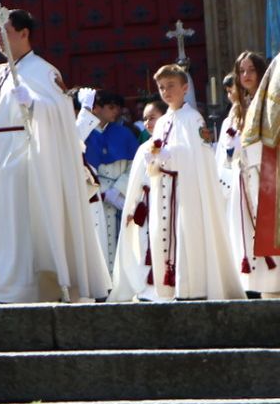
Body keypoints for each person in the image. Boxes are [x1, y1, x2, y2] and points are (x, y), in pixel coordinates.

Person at [0, 9, 109, 304]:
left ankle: (26, 285)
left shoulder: (44, 71)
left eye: (5, 32)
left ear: (24, 34)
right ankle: (2, 282)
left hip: (24, 157)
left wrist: (34, 104)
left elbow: (60, 112)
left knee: (21, 224)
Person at [112, 65, 242, 301]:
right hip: (164, 190)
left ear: (185, 88)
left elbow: (200, 157)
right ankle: (168, 288)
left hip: (187, 192)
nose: (166, 91)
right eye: (161, 87)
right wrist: (155, 156)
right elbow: (160, 151)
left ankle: (192, 288)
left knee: (186, 239)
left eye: (171, 85)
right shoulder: (162, 122)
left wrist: (170, 155)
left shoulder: (194, 119)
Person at [221, 52, 280, 296]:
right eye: (241, 71)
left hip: (267, 176)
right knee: (244, 229)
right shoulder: (236, 110)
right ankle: (255, 284)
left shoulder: (271, 104)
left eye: (251, 70)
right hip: (242, 176)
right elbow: (225, 153)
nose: (246, 76)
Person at [77, 90, 141, 266]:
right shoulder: (83, 133)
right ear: (96, 108)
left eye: (118, 108)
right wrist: (102, 191)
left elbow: (134, 165)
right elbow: (78, 165)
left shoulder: (124, 133)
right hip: (93, 194)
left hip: (119, 196)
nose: (116, 112)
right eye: (111, 107)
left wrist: (117, 190)